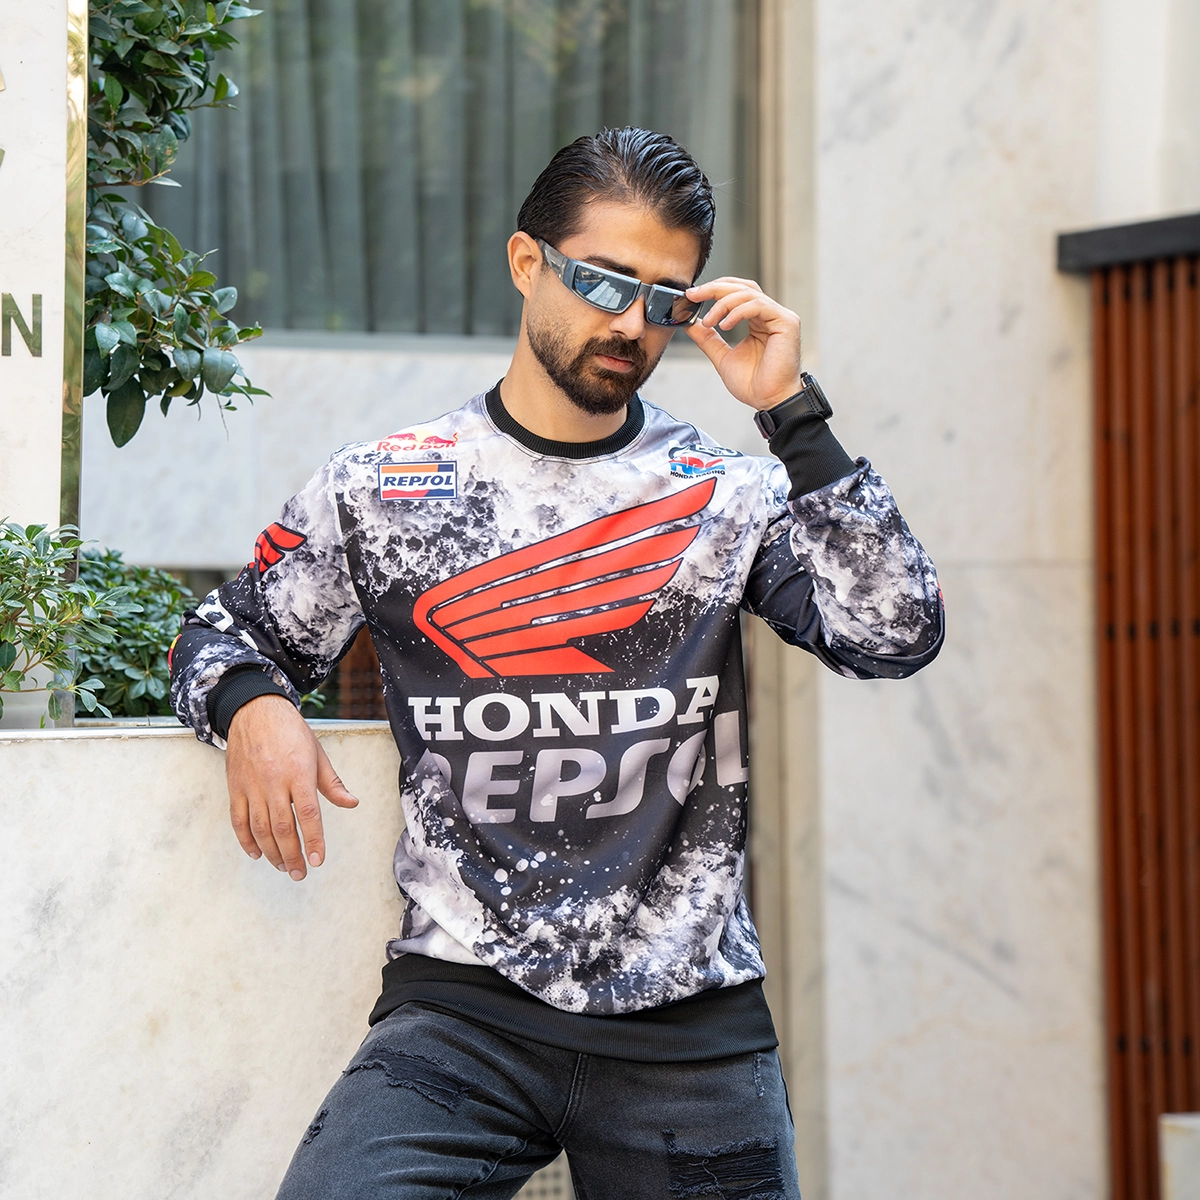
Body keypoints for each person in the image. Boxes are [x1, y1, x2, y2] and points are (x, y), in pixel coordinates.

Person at [170, 127, 943, 1199]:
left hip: (691, 1025)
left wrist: (790, 411)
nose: (631, 323)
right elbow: (218, 633)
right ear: (527, 262)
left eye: (664, 300)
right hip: (463, 1017)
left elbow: (894, 632)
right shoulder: (389, 485)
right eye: (604, 282)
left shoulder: (727, 493)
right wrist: (255, 706)